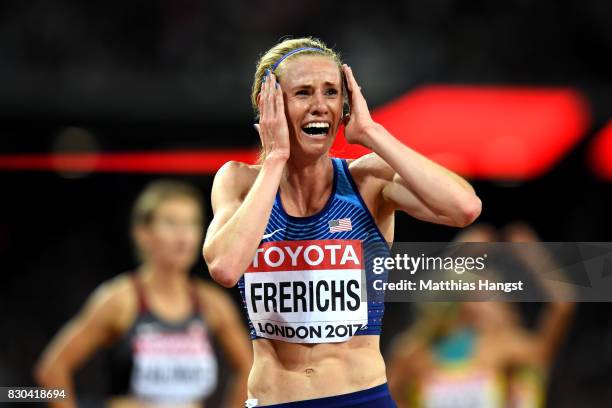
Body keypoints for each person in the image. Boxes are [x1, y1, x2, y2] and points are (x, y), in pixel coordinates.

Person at [202, 37, 481, 407]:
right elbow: (225, 266)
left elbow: (463, 208)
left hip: (362, 397)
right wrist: (274, 160)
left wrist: (372, 134)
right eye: (303, 92)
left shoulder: (367, 181)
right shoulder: (238, 182)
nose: (320, 106)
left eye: (331, 92)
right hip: (275, 399)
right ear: (268, 102)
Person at [34, 180, 252, 408]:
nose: (184, 236)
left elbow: (249, 367)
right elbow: (51, 371)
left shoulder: (211, 303)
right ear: (142, 233)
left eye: (192, 223)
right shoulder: (120, 300)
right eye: (171, 223)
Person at [386, 223, 575, 408]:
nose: (485, 300)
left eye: (493, 295)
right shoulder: (414, 354)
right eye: (478, 291)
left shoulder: (504, 348)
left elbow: (563, 304)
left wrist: (532, 254)